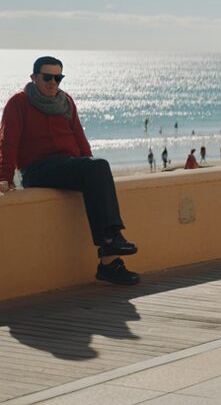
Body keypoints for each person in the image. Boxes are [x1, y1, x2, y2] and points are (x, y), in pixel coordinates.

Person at [0, 56, 142, 285]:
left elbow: (79, 137)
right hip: (38, 169)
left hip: (68, 165)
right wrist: (5, 178)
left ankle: (110, 261)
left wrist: (90, 164)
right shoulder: (18, 103)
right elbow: (8, 142)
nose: (53, 82)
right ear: (34, 77)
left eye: (58, 77)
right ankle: (111, 246)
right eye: (47, 77)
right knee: (97, 168)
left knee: (98, 168)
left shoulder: (65, 102)